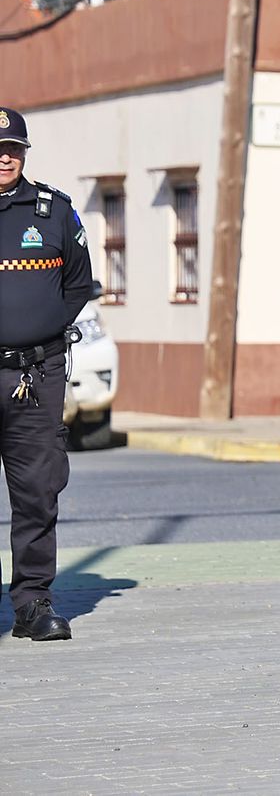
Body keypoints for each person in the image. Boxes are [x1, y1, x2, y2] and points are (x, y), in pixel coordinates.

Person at [0, 106, 94, 641]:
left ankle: (33, 604)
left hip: (35, 375)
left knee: (37, 492)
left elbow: (79, 286)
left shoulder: (53, 211)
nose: (5, 157)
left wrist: (36, 331)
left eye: (13, 148)